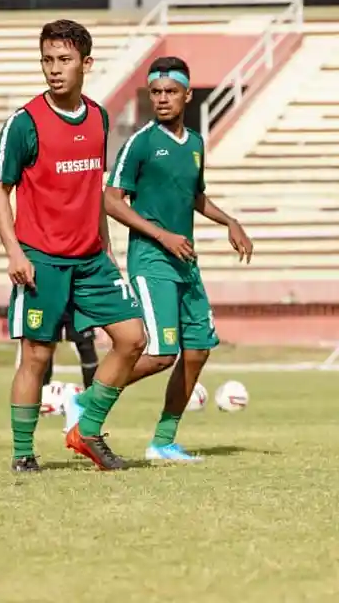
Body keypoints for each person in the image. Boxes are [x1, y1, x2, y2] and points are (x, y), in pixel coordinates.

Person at [74, 56, 253, 462]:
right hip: (151, 258)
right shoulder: (141, 142)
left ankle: (164, 441)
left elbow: (194, 196)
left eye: (171, 92)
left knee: (198, 350)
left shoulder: (194, 144)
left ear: (188, 95)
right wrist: (161, 235)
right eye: (155, 92)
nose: (162, 99)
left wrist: (230, 221)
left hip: (184, 260)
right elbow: (111, 200)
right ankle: (87, 403)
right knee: (159, 353)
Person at [0, 19, 148, 473]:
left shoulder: (99, 118)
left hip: (92, 259)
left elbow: (93, 188)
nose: (54, 69)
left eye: (64, 60)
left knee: (133, 338)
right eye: (47, 60)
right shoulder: (23, 124)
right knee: (37, 356)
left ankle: (87, 427)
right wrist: (14, 252)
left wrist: (109, 247)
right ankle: (23, 454)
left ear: (86, 63)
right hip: (41, 260)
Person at [39, 313, 99, 390]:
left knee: (86, 347)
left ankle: (92, 393)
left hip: (77, 305)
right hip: (50, 304)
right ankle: (42, 391)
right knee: (44, 346)